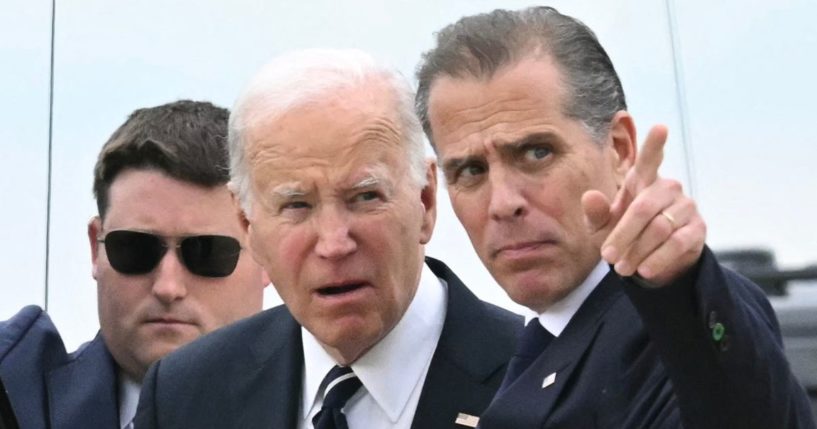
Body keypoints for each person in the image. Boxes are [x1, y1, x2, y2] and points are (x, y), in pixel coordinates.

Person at [415, 6, 815, 429]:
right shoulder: (524, 353)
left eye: (536, 153)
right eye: (471, 171)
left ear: (621, 148)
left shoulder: (671, 330)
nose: (503, 203)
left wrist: (678, 287)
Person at [135, 49, 520, 429]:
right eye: (296, 205)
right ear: (247, 225)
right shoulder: (185, 395)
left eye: (366, 197)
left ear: (426, 199)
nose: (334, 244)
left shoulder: (541, 382)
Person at [0, 100, 268, 429]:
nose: (168, 287)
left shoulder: (330, 412)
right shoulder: (13, 395)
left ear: (267, 253)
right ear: (95, 248)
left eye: (207, 252)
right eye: (135, 249)